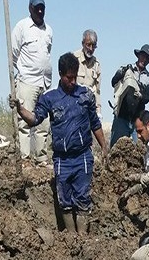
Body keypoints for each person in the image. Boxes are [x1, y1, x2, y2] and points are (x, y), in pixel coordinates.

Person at [11, 52, 108, 235]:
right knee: (65, 201)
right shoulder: (50, 98)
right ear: (60, 74)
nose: (72, 82)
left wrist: (104, 146)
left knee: (83, 199)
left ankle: (83, 238)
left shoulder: (85, 95)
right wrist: (19, 108)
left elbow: (95, 123)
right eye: (68, 77)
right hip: (62, 160)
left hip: (83, 157)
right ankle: (71, 239)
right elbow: (34, 119)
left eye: (74, 77)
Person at [12, 0, 53, 164]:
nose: (40, 10)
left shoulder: (49, 30)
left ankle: (42, 158)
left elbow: (47, 54)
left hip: (45, 83)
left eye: (42, 8)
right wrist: (23, 71)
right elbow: (14, 53)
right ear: (30, 8)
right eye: (37, 7)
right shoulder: (22, 27)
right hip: (28, 81)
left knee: (43, 124)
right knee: (25, 123)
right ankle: (26, 158)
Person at [110, 44, 149, 148]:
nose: (144, 60)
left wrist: (139, 93)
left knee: (137, 151)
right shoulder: (126, 69)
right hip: (121, 116)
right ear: (139, 56)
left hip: (137, 120)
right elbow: (113, 82)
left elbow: (146, 99)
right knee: (116, 149)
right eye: (143, 56)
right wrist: (121, 73)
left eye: (147, 58)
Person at [74, 30, 101, 120]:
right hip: (75, 106)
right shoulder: (74, 59)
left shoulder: (96, 64)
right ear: (83, 44)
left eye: (93, 46)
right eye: (88, 45)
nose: (90, 48)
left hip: (89, 109)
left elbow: (97, 91)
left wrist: (99, 112)